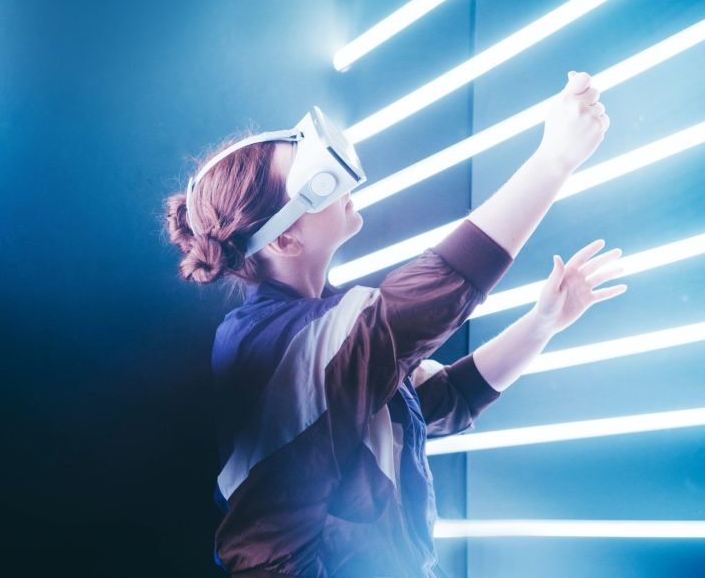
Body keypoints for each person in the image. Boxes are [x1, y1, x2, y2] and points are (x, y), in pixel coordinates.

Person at [163, 71, 628, 578]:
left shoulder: (328, 327)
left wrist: (542, 323)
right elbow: (429, 298)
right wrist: (554, 159)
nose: (346, 184)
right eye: (319, 180)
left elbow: (444, 400)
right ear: (284, 241)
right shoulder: (275, 345)